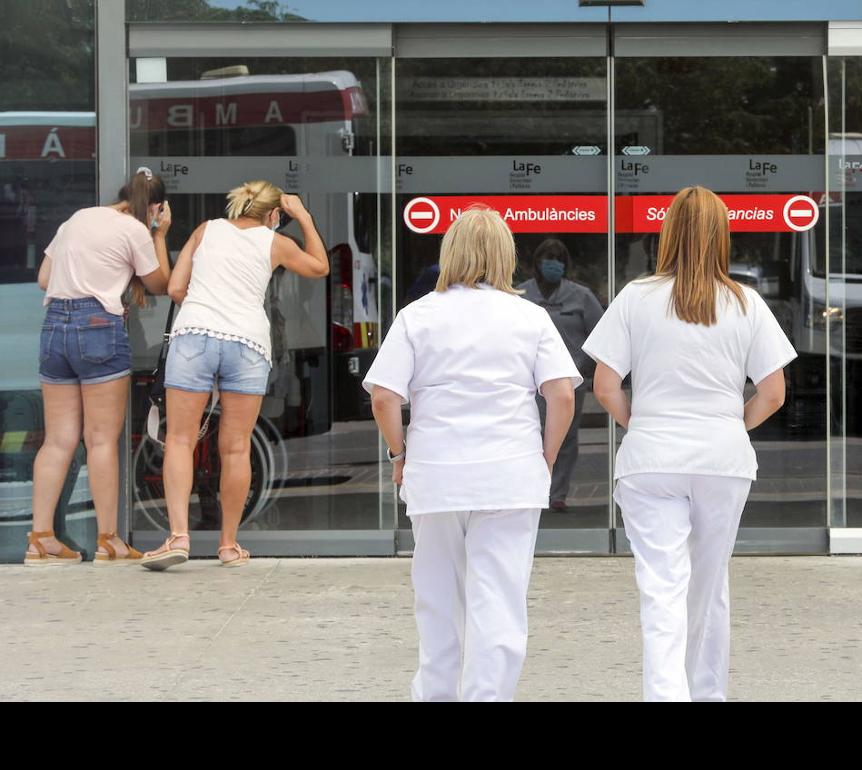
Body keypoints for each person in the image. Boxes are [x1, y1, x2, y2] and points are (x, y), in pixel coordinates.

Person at [583, 186, 796, 701]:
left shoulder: (636, 297)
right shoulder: (747, 302)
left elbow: (605, 386)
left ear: (668, 233)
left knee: (662, 590)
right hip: (722, 458)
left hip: (651, 459)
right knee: (709, 586)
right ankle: (707, 694)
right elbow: (773, 393)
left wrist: (643, 425)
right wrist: (729, 425)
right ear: (722, 236)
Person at [366, 205, 579, 702]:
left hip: (435, 475)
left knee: (438, 604)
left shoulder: (417, 315)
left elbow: (383, 397)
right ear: (506, 256)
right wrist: (544, 459)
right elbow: (562, 395)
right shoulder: (530, 316)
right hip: (510, 474)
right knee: (500, 605)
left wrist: (400, 453)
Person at [141, 181, 329, 571]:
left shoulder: (207, 229)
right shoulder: (275, 243)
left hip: (195, 335)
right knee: (237, 447)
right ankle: (228, 544)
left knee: (178, 438)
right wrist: (305, 217)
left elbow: (176, 288)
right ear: (275, 215)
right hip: (247, 343)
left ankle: (178, 537)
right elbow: (320, 267)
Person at [26, 169, 172, 566]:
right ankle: (109, 539)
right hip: (98, 327)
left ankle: (41, 538)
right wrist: (159, 234)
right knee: (102, 439)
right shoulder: (136, 230)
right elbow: (160, 284)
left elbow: (44, 278)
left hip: (55, 324)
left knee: (58, 439)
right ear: (155, 207)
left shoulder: (78, 218)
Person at [517, 238, 604, 510]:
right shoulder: (521, 295)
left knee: (565, 437)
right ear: (537, 263)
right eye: (547, 258)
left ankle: (557, 495)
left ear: (565, 264)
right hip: (528, 384)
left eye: (558, 258)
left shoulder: (581, 296)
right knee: (530, 435)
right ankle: (533, 490)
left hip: (568, 381)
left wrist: (586, 368)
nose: (552, 263)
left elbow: (603, 336)